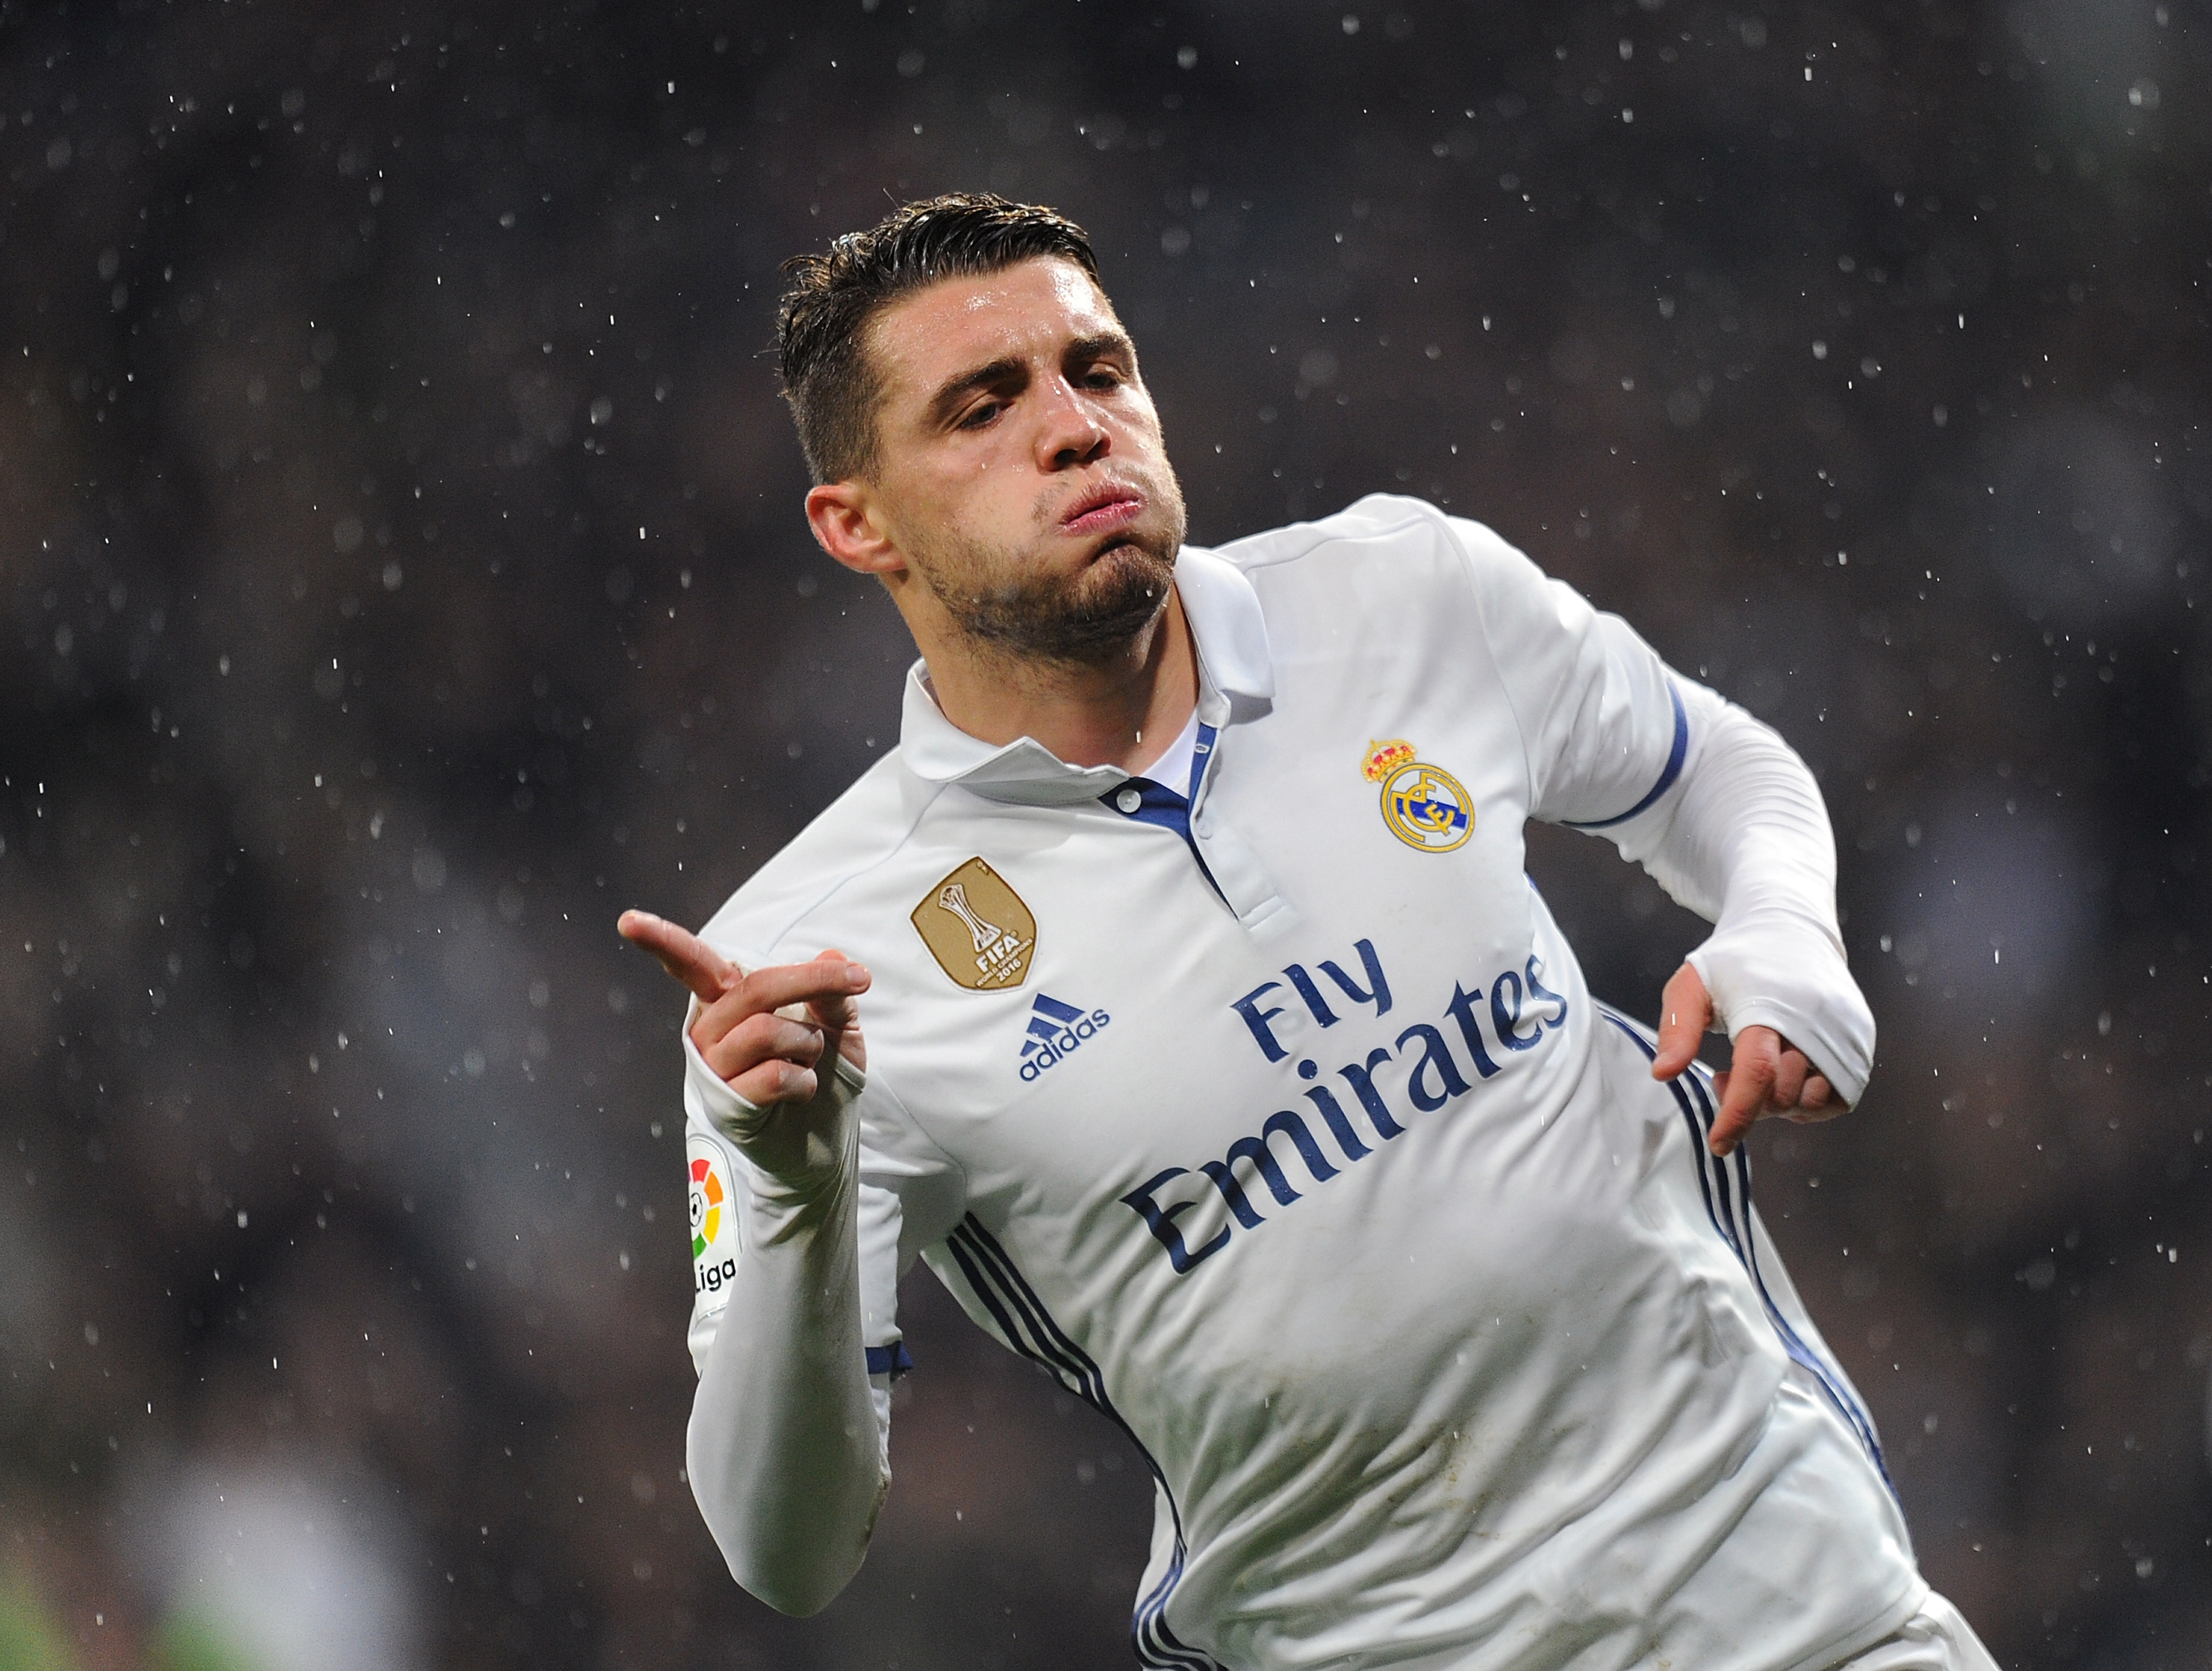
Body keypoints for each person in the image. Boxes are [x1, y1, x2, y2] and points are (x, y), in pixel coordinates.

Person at [620, 194, 1995, 1670]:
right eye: (982, 406)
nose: (1074, 429)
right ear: (858, 523)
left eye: (1098, 369)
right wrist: (794, 1191)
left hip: (1814, 1622)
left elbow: (1711, 769)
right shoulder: (801, 973)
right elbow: (785, 1548)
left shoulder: (1401, 590)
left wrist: (1785, 930)